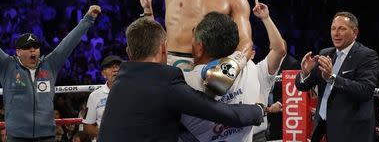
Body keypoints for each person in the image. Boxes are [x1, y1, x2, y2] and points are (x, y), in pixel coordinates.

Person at [97, 17, 266, 142]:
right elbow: (223, 113)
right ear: (164, 48)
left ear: (128, 52)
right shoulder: (165, 81)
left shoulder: (118, 83)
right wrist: (259, 110)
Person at [0, 3, 101, 142]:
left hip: (47, 136)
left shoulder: (50, 64)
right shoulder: (7, 66)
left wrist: (88, 19)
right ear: (18, 52)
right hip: (16, 137)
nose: (33, 50)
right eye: (28, 48)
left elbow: (69, 43)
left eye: (36, 47)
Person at [180, 0, 286, 142]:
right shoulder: (249, 68)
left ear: (199, 48)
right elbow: (279, 50)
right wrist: (265, 18)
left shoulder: (184, 82)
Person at [295, 11, 379, 142]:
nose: (336, 33)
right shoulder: (326, 53)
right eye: (333, 29)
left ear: (355, 32)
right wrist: (305, 72)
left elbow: (366, 91)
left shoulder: (366, 56)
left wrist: (332, 78)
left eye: (342, 29)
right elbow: (302, 86)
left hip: (350, 130)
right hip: (322, 124)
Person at [265, 40, 301, 141]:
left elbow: (294, 89)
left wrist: (280, 103)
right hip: (267, 107)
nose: (271, 51)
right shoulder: (267, 62)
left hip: (283, 110)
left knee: (277, 136)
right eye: (271, 48)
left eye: (274, 48)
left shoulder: (293, 64)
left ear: (283, 49)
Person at [82, 55, 123, 140]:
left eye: (118, 66)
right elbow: (87, 127)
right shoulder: (94, 96)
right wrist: (106, 132)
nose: (115, 69)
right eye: (110, 67)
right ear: (103, 74)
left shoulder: (132, 92)